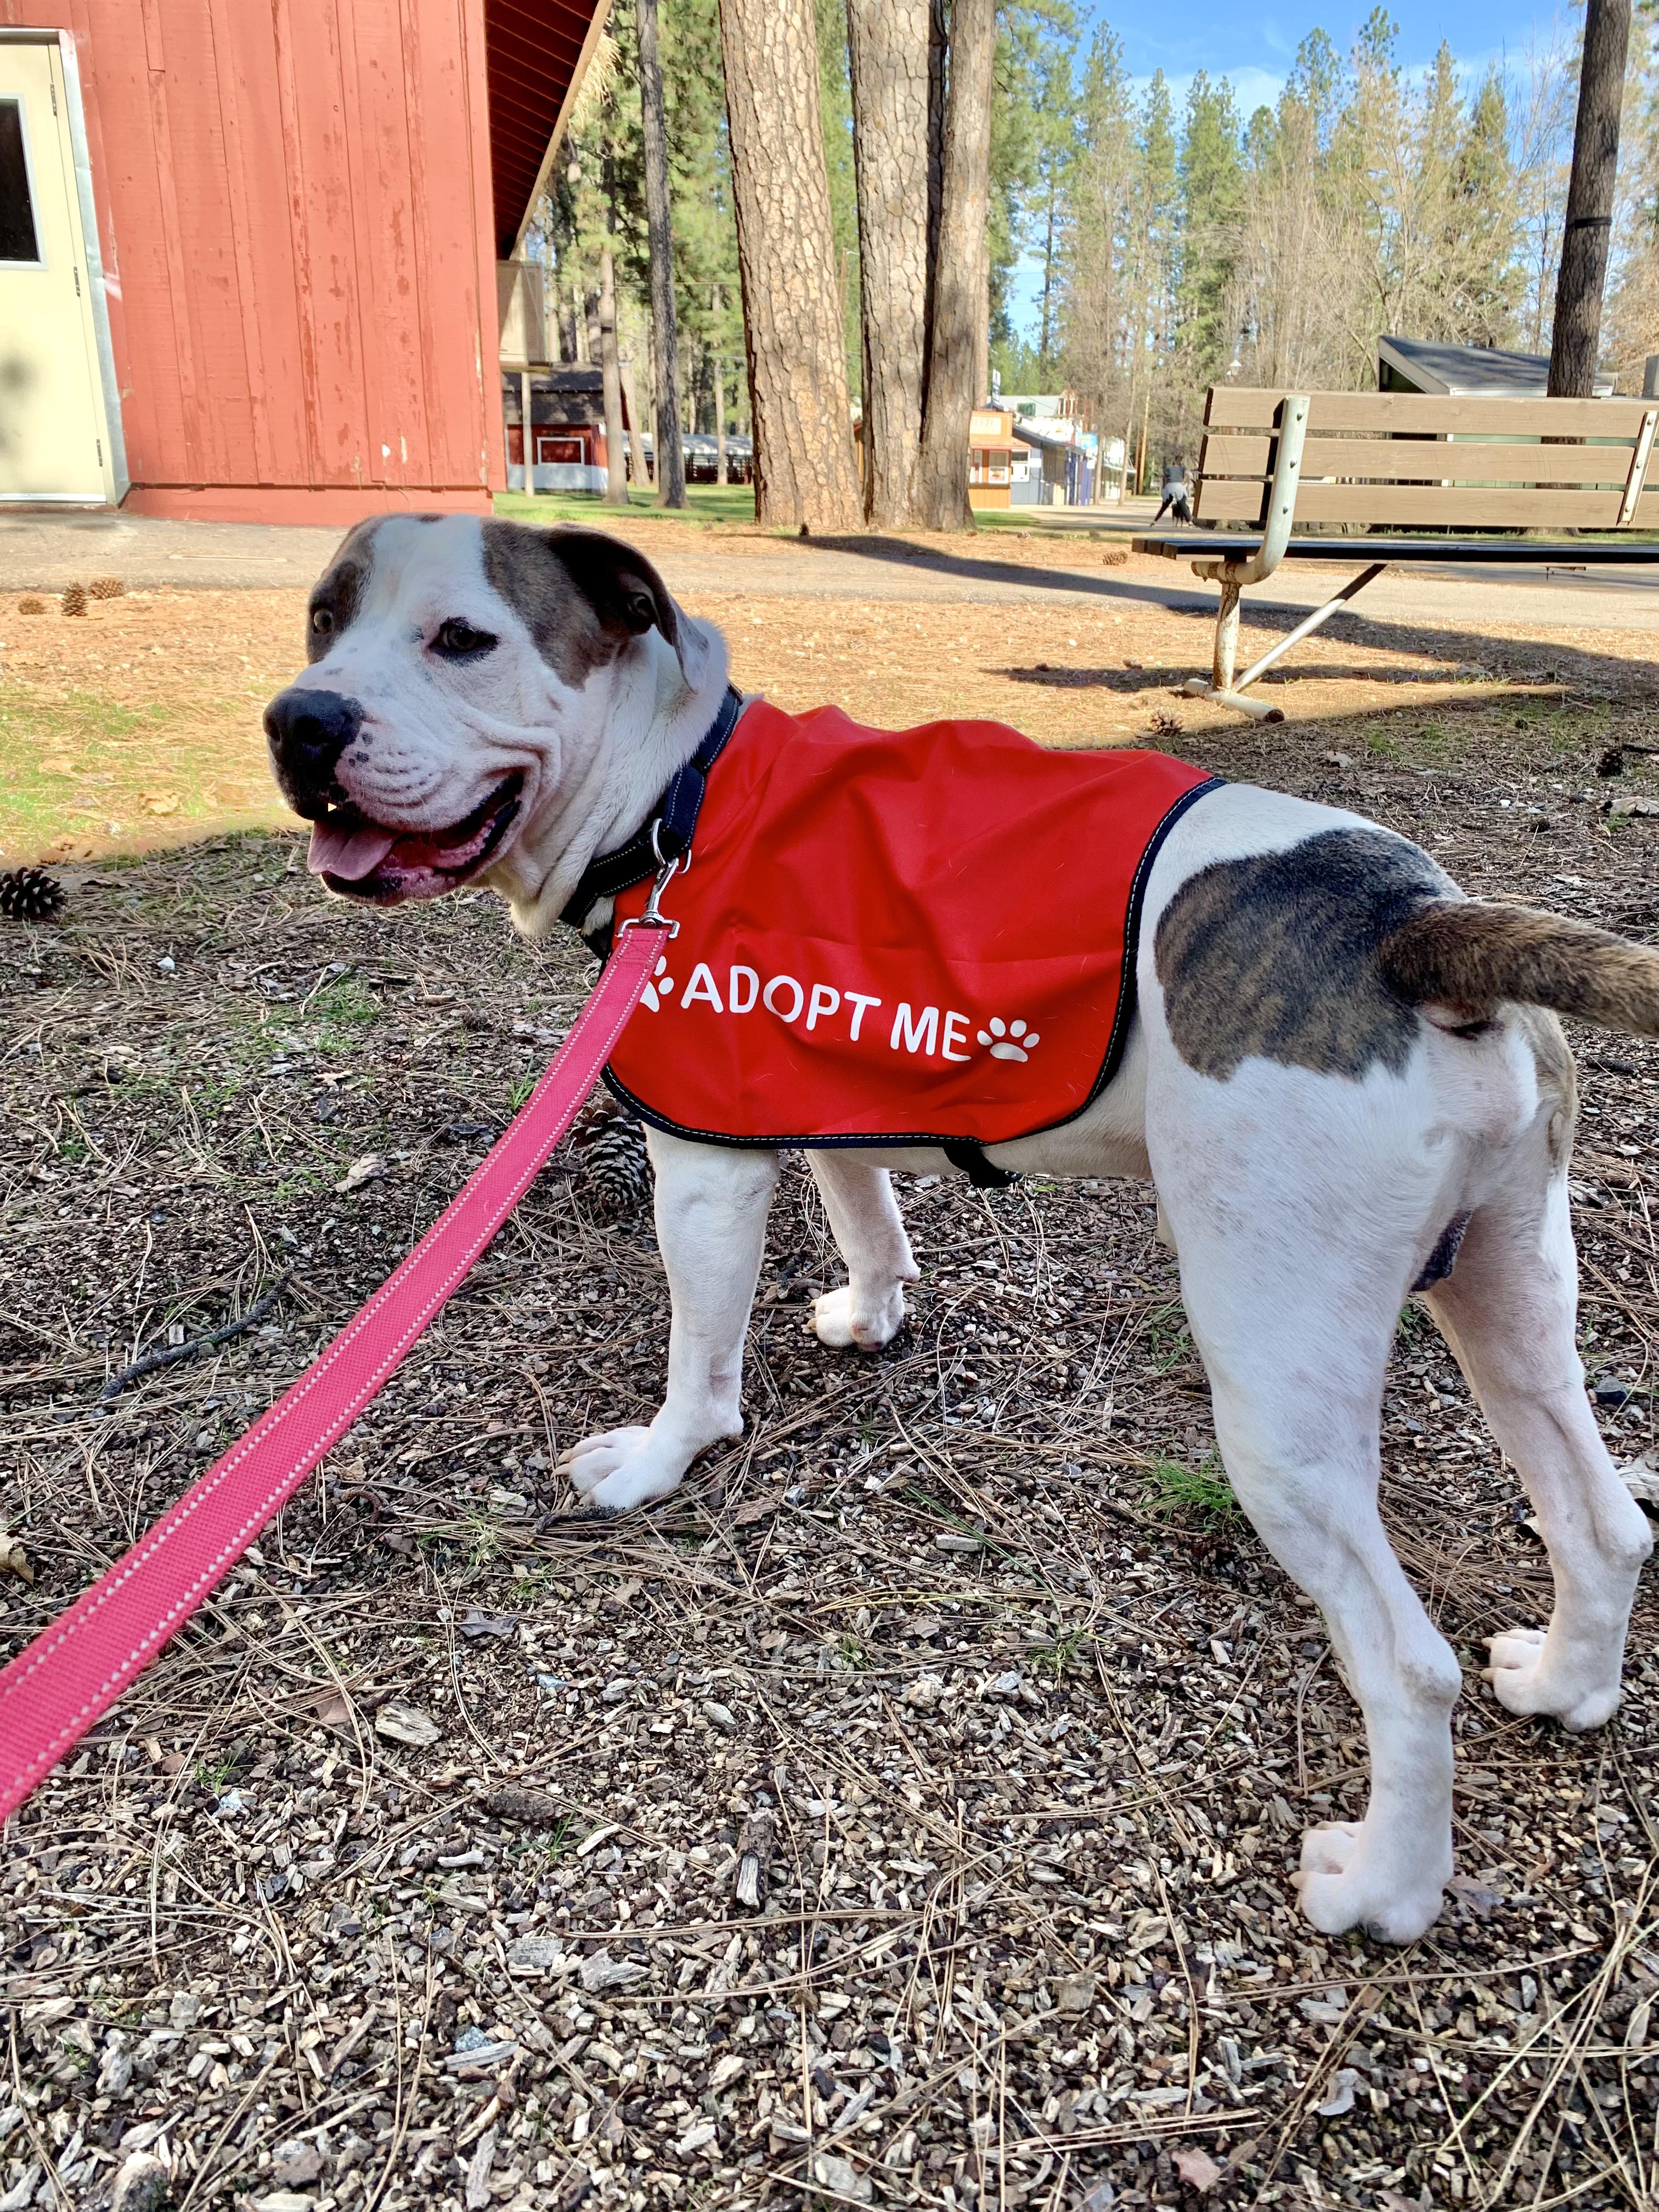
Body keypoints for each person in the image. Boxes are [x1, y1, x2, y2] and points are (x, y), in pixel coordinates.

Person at [1154, 457, 1193, 525]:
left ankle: (1155, 521)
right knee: (1183, 505)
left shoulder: (1169, 468)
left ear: (1174, 461)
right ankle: (1189, 521)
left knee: (1164, 506)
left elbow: (1161, 475)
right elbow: (1190, 475)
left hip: (1170, 487)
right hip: (1179, 487)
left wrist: (1163, 475)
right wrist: (1185, 482)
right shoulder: (1183, 468)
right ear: (1181, 462)